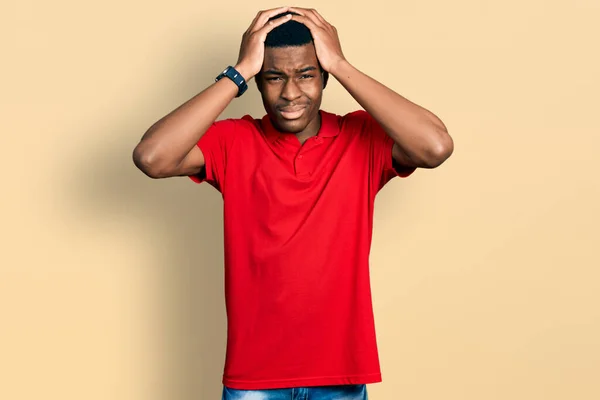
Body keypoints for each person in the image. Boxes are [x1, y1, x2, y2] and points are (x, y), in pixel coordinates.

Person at [133, 6, 453, 400]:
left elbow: (435, 146)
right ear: (259, 81)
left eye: (306, 75)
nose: (290, 93)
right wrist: (238, 72)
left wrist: (339, 61)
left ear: (324, 77)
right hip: (254, 377)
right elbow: (152, 157)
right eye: (273, 78)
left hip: (340, 374)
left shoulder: (361, 138)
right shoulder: (235, 141)